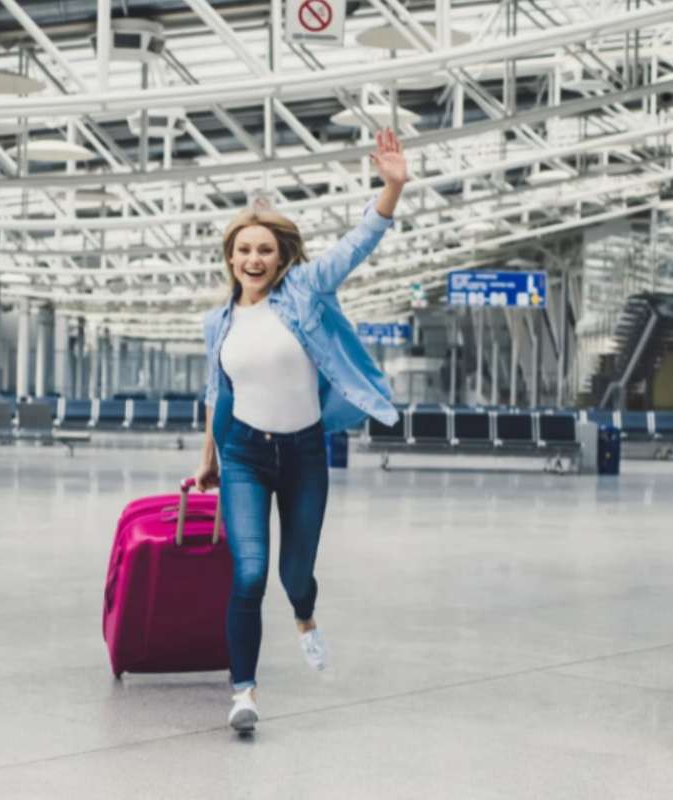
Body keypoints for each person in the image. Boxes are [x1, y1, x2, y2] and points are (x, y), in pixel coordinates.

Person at [193, 128, 408, 733]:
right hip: (244, 457)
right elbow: (218, 392)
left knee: (294, 578)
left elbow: (358, 243)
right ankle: (244, 693)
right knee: (250, 574)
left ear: (282, 257)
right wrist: (208, 455)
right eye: (243, 251)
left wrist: (391, 187)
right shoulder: (217, 322)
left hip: (307, 454)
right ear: (230, 258)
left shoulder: (306, 292)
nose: (253, 259)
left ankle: (306, 618)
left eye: (265, 250)